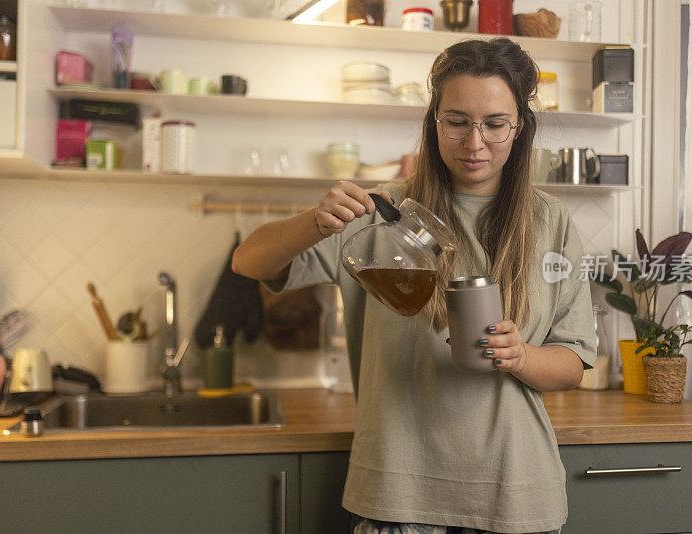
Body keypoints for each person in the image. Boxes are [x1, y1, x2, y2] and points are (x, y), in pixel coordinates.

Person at [232, 38, 596, 534]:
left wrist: (521, 356)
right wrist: (316, 222)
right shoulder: (383, 213)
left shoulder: (550, 221)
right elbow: (248, 260)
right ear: (434, 122)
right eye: (457, 121)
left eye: (494, 124)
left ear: (519, 128)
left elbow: (573, 363)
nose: (475, 142)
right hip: (399, 494)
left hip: (517, 495)